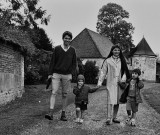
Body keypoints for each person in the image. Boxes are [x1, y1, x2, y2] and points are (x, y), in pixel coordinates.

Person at [45, 31, 77, 121]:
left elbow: (74, 64)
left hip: (67, 75)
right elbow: (52, 62)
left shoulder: (73, 50)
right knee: (54, 92)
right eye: (65, 38)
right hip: (56, 74)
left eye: (69, 38)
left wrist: (71, 74)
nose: (67, 39)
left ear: (71, 39)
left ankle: (63, 114)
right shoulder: (57, 49)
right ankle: (50, 113)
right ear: (63, 38)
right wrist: (49, 74)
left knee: (65, 94)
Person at [97, 45, 130, 125]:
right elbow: (103, 72)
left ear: (120, 51)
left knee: (117, 101)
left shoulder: (122, 60)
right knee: (110, 100)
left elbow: (125, 71)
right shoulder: (107, 61)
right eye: (115, 50)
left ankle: (114, 117)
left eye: (118, 50)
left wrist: (123, 80)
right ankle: (108, 118)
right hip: (110, 83)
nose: (117, 52)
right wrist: (99, 82)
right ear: (112, 51)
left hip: (119, 84)